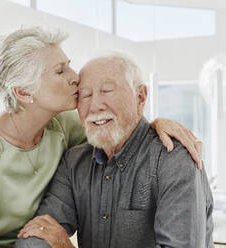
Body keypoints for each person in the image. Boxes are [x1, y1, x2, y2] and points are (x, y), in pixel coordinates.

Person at [0, 27, 203, 248]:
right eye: (60, 70)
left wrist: (156, 122)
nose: (75, 77)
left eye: (68, 64)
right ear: (24, 92)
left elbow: (122, 125)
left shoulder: (64, 127)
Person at [16, 53, 214, 248]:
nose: (94, 106)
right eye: (85, 95)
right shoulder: (74, 162)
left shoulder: (174, 159)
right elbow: (37, 234)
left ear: (140, 97)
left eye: (107, 91)